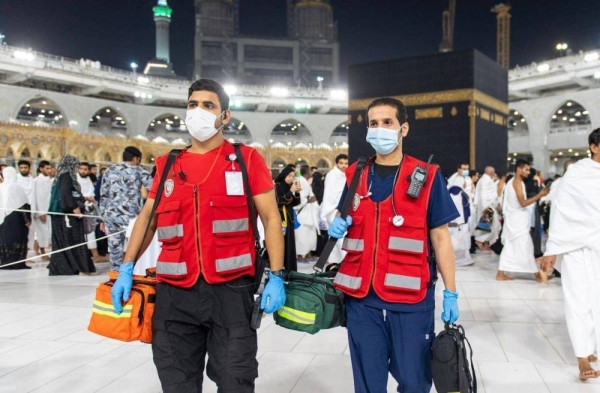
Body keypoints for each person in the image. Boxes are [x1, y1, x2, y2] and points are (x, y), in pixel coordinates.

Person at [110, 79, 286, 393]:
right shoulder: (167, 165)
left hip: (232, 291)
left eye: (208, 105)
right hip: (175, 294)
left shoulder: (246, 160)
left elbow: (272, 218)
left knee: (235, 378)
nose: (198, 111)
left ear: (225, 116)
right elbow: (147, 220)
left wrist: (277, 274)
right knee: (176, 381)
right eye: (193, 105)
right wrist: (126, 268)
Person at [328, 97, 460, 392]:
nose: (379, 129)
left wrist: (451, 291)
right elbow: (345, 213)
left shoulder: (427, 177)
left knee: (414, 380)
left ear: (403, 129)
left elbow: (440, 237)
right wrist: (339, 222)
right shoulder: (356, 173)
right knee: (367, 381)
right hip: (362, 298)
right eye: (373, 123)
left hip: (411, 299)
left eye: (387, 122)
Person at [540, 129, 600, 381]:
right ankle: (582, 356)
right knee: (578, 299)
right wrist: (552, 249)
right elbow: (561, 212)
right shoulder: (576, 174)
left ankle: (593, 346)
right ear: (594, 146)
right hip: (575, 246)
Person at [99, 146, 152, 271]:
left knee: (115, 250)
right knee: (134, 248)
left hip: (111, 216)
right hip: (132, 217)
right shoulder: (139, 170)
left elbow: (103, 195)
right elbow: (154, 187)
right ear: (136, 158)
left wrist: (102, 218)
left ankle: (115, 276)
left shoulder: (110, 170)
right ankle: (132, 274)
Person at [496, 159, 549, 282]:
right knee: (520, 246)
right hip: (516, 222)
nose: (528, 172)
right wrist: (539, 195)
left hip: (517, 220)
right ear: (518, 169)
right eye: (526, 169)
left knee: (524, 247)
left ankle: (536, 275)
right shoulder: (517, 183)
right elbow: (523, 203)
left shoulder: (517, 182)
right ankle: (501, 273)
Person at [47, 156, 96, 276]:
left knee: (64, 241)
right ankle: (78, 267)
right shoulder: (66, 175)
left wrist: (82, 198)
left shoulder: (61, 175)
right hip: (66, 214)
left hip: (60, 213)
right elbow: (65, 193)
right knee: (73, 240)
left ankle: (65, 268)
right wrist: (74, 208)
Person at [0, 167, 32, 270]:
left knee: (5, 240)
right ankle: (17, 263)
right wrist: (27, 219)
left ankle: (6, 262)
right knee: (18, 239)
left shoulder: (1, 186)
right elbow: (23, 205)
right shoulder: (17, 187)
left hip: (4, 219)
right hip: (16, 218)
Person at [319, 154, 348, 264]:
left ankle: (335, 262)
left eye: (346, 163)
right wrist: (336, 209)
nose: (344, 166)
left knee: (338, 238)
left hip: (344, 209)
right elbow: (329, 194)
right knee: (339, 237)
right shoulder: (332, 175)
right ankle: (341, 262)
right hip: (333, 210)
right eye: (341, 163)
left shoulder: (346, 175)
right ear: (337, 163)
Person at [77, 162, 106, 262]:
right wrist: (85, 198)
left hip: (90, 211)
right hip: (79, 211)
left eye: (85, 169)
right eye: (81, 169)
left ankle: (95, 256)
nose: (83, 171)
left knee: (91, 233)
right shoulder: (75, 180)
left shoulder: (89, 180)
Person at [275, 166, 301, 271]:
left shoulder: (288, 186)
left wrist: (297, 192)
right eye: (289, 175)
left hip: (289, 220)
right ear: (284, 174)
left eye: (293, 176)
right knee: (283, 245)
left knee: (290, 246)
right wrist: (290, 191)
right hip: (282, 220)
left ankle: (291, 270)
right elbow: (280, 202)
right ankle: (281, 268)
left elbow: (295, 203)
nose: (291, 178)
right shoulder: (277, 186)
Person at [474, 166, 501, 250]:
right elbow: (484, 195)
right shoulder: (485, 180)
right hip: (486, 206)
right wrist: (485, 207)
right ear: (491, 172)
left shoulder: (485, 179)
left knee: (492, 225)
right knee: (488, 225)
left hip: (488, 205)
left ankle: (486, 242)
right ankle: (479, 241)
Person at [448, 175, 474, 266]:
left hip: (450, 223)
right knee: (462, 239)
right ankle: (462, 259)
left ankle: (449, 258)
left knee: (451, 239)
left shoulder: (448, 193)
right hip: (462, 223)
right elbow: (467, 210)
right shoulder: (463, 195)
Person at [294, 165, 318, 261]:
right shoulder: (300, 181)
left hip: (308, 212)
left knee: (310, 235)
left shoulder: (305, 182)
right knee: (301, 235)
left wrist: (311, 199)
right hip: (302, 213)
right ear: (307, 172)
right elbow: (299, 198)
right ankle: (300, 256)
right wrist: (309, 200)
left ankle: (308, 254)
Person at [33, 160, 53, 261]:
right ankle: (43, 253)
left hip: (49, 210)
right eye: (47, 168)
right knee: (42, 232)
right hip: (42, 211)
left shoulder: (48, 180)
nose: (49, 170)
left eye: (50, 168)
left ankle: (41, 251)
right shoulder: (37, 180)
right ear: (41, 169)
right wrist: (41, 212)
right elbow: (38, 197)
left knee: (47, 232)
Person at [16, 160, 35, 252]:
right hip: (19, 210)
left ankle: (27, 254)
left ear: (29, 168)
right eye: (21, 168)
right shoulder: (16, 179)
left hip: (31, 209)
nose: (23, 170)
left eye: (25, 168)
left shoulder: (32, 180)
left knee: (30, 233)